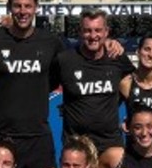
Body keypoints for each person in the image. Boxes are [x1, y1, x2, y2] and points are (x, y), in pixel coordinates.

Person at [0, 0, 63, 168]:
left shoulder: (51, 42)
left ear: (36, 8)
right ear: (9, 7)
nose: (22, 11)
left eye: (28, 6)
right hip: (2, 136)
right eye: (17, 6)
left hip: (38, 136)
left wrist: (110, 44)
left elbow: (60, 76)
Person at [54, 9, 134, 152]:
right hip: (76, 144)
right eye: (87, 31)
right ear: (80, 32)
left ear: (106, 32)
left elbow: (135, 88)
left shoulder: (116, 56)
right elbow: (43, 87)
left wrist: (131, 117)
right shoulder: (65, 60)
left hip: (110, 142)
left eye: (98, 30)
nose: (93, 36)